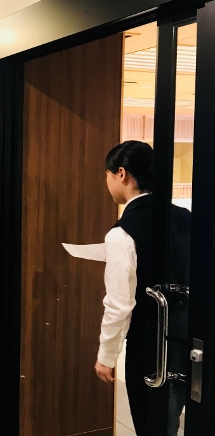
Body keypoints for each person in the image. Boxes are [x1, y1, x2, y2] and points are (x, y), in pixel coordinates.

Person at [94, 140, 190, 436]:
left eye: (108, 175)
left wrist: (106, 356)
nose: (108, 183)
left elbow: (119, 304)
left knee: (154, 425)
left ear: (121, 174)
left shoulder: (122, 232)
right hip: (190, 339)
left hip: (152, 348)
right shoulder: (186, 218)